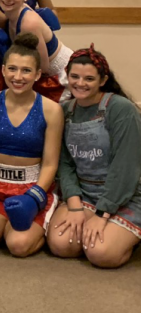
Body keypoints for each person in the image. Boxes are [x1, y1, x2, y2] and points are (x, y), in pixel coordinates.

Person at [0, 33, 63, 257]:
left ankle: (35, 228)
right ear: (2, 69)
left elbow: (50, 163)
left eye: (26, 70)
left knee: (18, 246)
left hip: (31, 186)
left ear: (38, 74)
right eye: (12, 69)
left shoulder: (51, 110)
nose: (18, 76)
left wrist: (35, 196)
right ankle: (2, 225)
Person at [48, 47, 141, 268]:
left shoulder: (121, 109)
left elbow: (126, 167)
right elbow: (64, 163)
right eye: (75, 77)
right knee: (62, 244)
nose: (80, 83)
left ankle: (126, 237)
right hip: (85, 193)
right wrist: (74, 206)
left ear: (103, 80)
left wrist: (102, 214)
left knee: (101, 253)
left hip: (126, 195)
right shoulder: (63, 110)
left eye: (89, 78)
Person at [0, 0, 72, 102]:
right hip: (42, 76)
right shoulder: (10, 14)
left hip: (61, 76)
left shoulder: (28, 23)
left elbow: (42, 66)